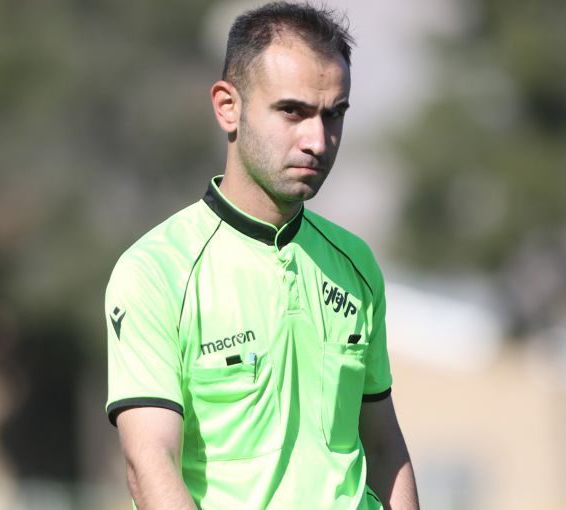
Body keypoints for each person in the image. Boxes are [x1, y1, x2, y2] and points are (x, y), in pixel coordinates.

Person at [104, 2, 419, 509]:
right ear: (228, 106)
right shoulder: (155, 272)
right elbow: (150, 465)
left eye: (334, 115)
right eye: (292, 111)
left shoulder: (356, 264)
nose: (317, 140)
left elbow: (384, 447)